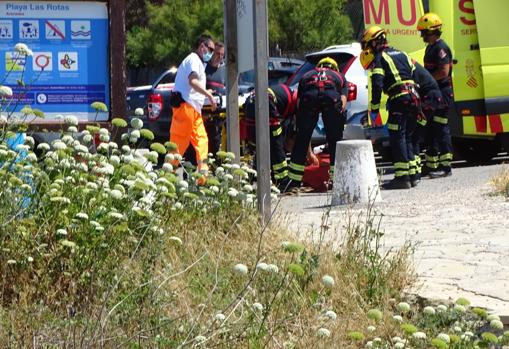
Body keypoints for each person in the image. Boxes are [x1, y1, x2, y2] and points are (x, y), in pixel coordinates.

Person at [360, 26, 420, 189]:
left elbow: (377, 83)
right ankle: (413, 175)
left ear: (374, 42)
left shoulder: (380, 57)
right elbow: (414, 75)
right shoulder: (403, 54)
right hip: (414, 98)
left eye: (368, 45)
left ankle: (402, 178)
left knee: (397, 136)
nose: (367, 49)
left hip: (399, 100)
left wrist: (373, 109)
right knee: (407, 136)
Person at [283, 57, 348, 191]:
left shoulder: (307, 75)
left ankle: (294, 182)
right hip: (331, 98)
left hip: (309, 98)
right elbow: (343, 101)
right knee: (335, 141)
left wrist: (302, 124)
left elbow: (299, 102)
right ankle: (337, 182)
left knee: (302, 140)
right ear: (334, 67)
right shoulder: (339, 76)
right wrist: (337, 119)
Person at [169, 34, 217, 181]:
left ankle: (203, 178)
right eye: (210, 49)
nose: (211, 53)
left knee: (202, 141)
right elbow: (193, 82)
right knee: (177, 147)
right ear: (202, 46)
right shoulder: (193, 60)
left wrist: (206, 93)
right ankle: (165, 180)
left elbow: (193, 86)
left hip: (192, 110)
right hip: (185, 109)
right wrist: (208, 96)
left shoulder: (196, 62)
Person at [417, 13, 454, 178]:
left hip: (442, 93)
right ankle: (432, 166)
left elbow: (444, 72)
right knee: (430, 129)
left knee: (440, 129)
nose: (422, 35)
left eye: (424, 32)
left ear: (432, 31)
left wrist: (427, 79)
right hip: (433, 94)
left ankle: (446, 167)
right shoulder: (430, 48)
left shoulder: (441, 48)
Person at [243, 83, 299, 184]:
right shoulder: (292, 101)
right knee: (276, 144)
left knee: (257, 145)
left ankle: (255, 177)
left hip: (250, 103)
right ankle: (282, 180)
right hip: (266, 103)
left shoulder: (283, 92)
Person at [411, 60, 443, 184]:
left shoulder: (409, 69)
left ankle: (417, 172)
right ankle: (428, 168)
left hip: (429, 100)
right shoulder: (412, 65)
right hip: (430, 99)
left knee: (415, 133)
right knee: (427, 132)